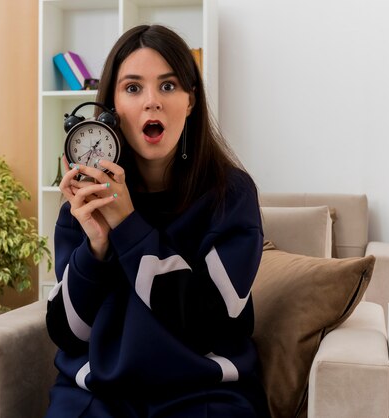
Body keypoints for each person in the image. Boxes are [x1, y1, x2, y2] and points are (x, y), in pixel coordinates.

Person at [45, 24, 270, 418]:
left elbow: (210, 325)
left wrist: (129, 225)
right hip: (99, 395)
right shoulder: (82, 202)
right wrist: (95, 249)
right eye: (133, 88)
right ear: (112, 106)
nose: (152, 102)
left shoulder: (230, 195)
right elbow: (67, 332)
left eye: (167, 86)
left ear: (191, 101)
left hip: (203, 393)